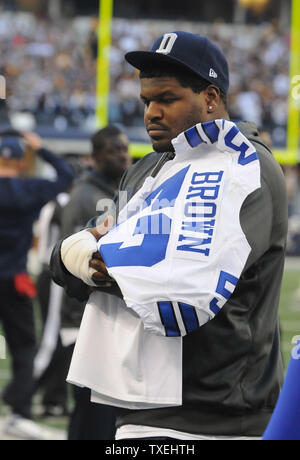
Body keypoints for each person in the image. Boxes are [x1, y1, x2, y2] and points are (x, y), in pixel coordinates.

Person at [51, 31, 288, 440]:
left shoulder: (247, 166)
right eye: (147, 101)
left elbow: (181, 275)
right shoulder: (145, 171)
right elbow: (81, 259)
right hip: (137, 406)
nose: (152, 113)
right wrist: (76, 257)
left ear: (210, 98)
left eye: (167, 99)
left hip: (219, 417)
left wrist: (95, 260)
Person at [0, 132, 74, 440]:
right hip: (13, 278)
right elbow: (67, 175)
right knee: (23, 348)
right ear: (20, 160)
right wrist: (41, 148)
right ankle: (19, 411)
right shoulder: (30, 189)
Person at [59, 125, 131, 440]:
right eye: (115, 150)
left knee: (104, 417)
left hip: (111, 318)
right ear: (97, 156)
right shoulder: (83, 195)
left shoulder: (126, 190)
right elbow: (73, 261)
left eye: (125, 149)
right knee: (92, 417)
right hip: (85, 319)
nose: (124, 155)